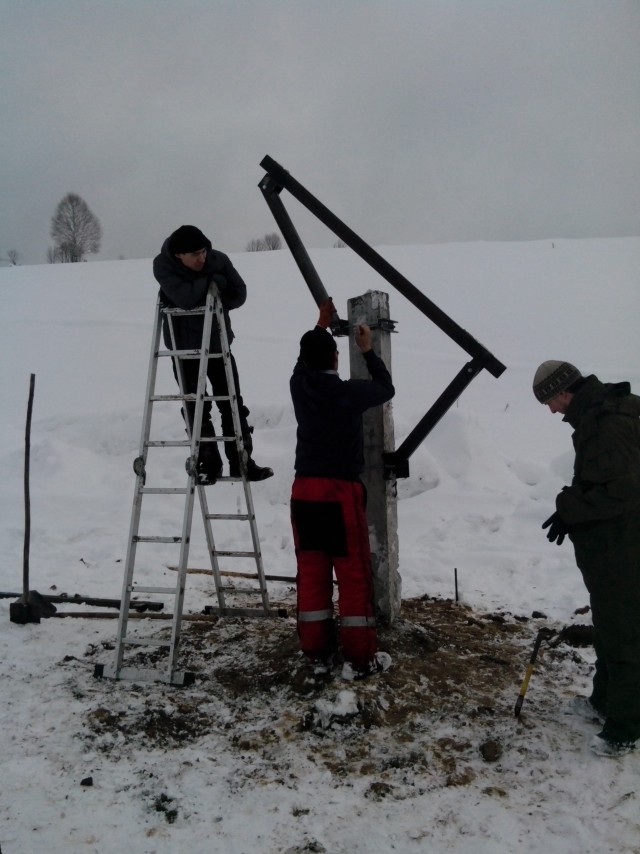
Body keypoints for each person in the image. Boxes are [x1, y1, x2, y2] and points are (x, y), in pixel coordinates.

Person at [533, 360, 640, 757]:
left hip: (625, 545)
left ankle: (625, 728)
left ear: (564, 392)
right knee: (611, 622)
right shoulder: (609, 410)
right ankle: (604, 703)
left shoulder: (608, 423)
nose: (551, 411)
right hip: (617, 542)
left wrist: (570, 508)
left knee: (624, 631)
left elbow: (623, 492)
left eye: (549, 401)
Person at [289, 299, 395, 680]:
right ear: (337, 359)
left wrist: (319, 326)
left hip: (303, 492)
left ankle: (317, 653)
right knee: (352, 576)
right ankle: (360, 658)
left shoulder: (299, 386)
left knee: (313, 571)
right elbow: (385, 388)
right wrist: (367, 350)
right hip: (339, 493)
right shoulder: (348, 393)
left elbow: (305, 361)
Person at [153, 225, 273, 484]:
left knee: (232, 404)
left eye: (204, 251)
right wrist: (213, 284)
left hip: (218, 345)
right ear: (178, 255)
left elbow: (239, 294)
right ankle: (209, 463)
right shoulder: (163, 265)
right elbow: (183, 298)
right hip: (184, 348)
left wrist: (210, 293)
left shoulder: (219, 259)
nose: (202, 258)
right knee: (196, 407)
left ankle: (242, 462)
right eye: (195, 254)